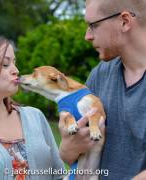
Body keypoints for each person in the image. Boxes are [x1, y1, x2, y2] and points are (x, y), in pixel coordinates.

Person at [59, 0, 146, 179]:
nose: (87, 36)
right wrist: (68, 147)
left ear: (125, 21)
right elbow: (71, 157)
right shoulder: (100, 75)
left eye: (93, 25)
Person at [0, 35, 64, 180]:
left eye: (14, 63)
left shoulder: (35, 117)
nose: (16, 70)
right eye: (5, 64)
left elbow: (59, 176)